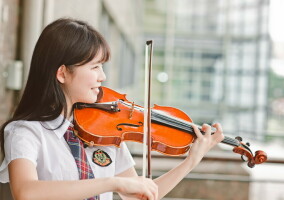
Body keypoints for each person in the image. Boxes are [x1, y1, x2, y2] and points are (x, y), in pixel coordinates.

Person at [0, 18, 224, 200]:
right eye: (95, 66)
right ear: (62, 73)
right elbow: (26, 192)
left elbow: (141, 196)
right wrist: (111, 182)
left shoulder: (104, 130)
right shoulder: (25, 132)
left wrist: (190, 162)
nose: (102, 77)